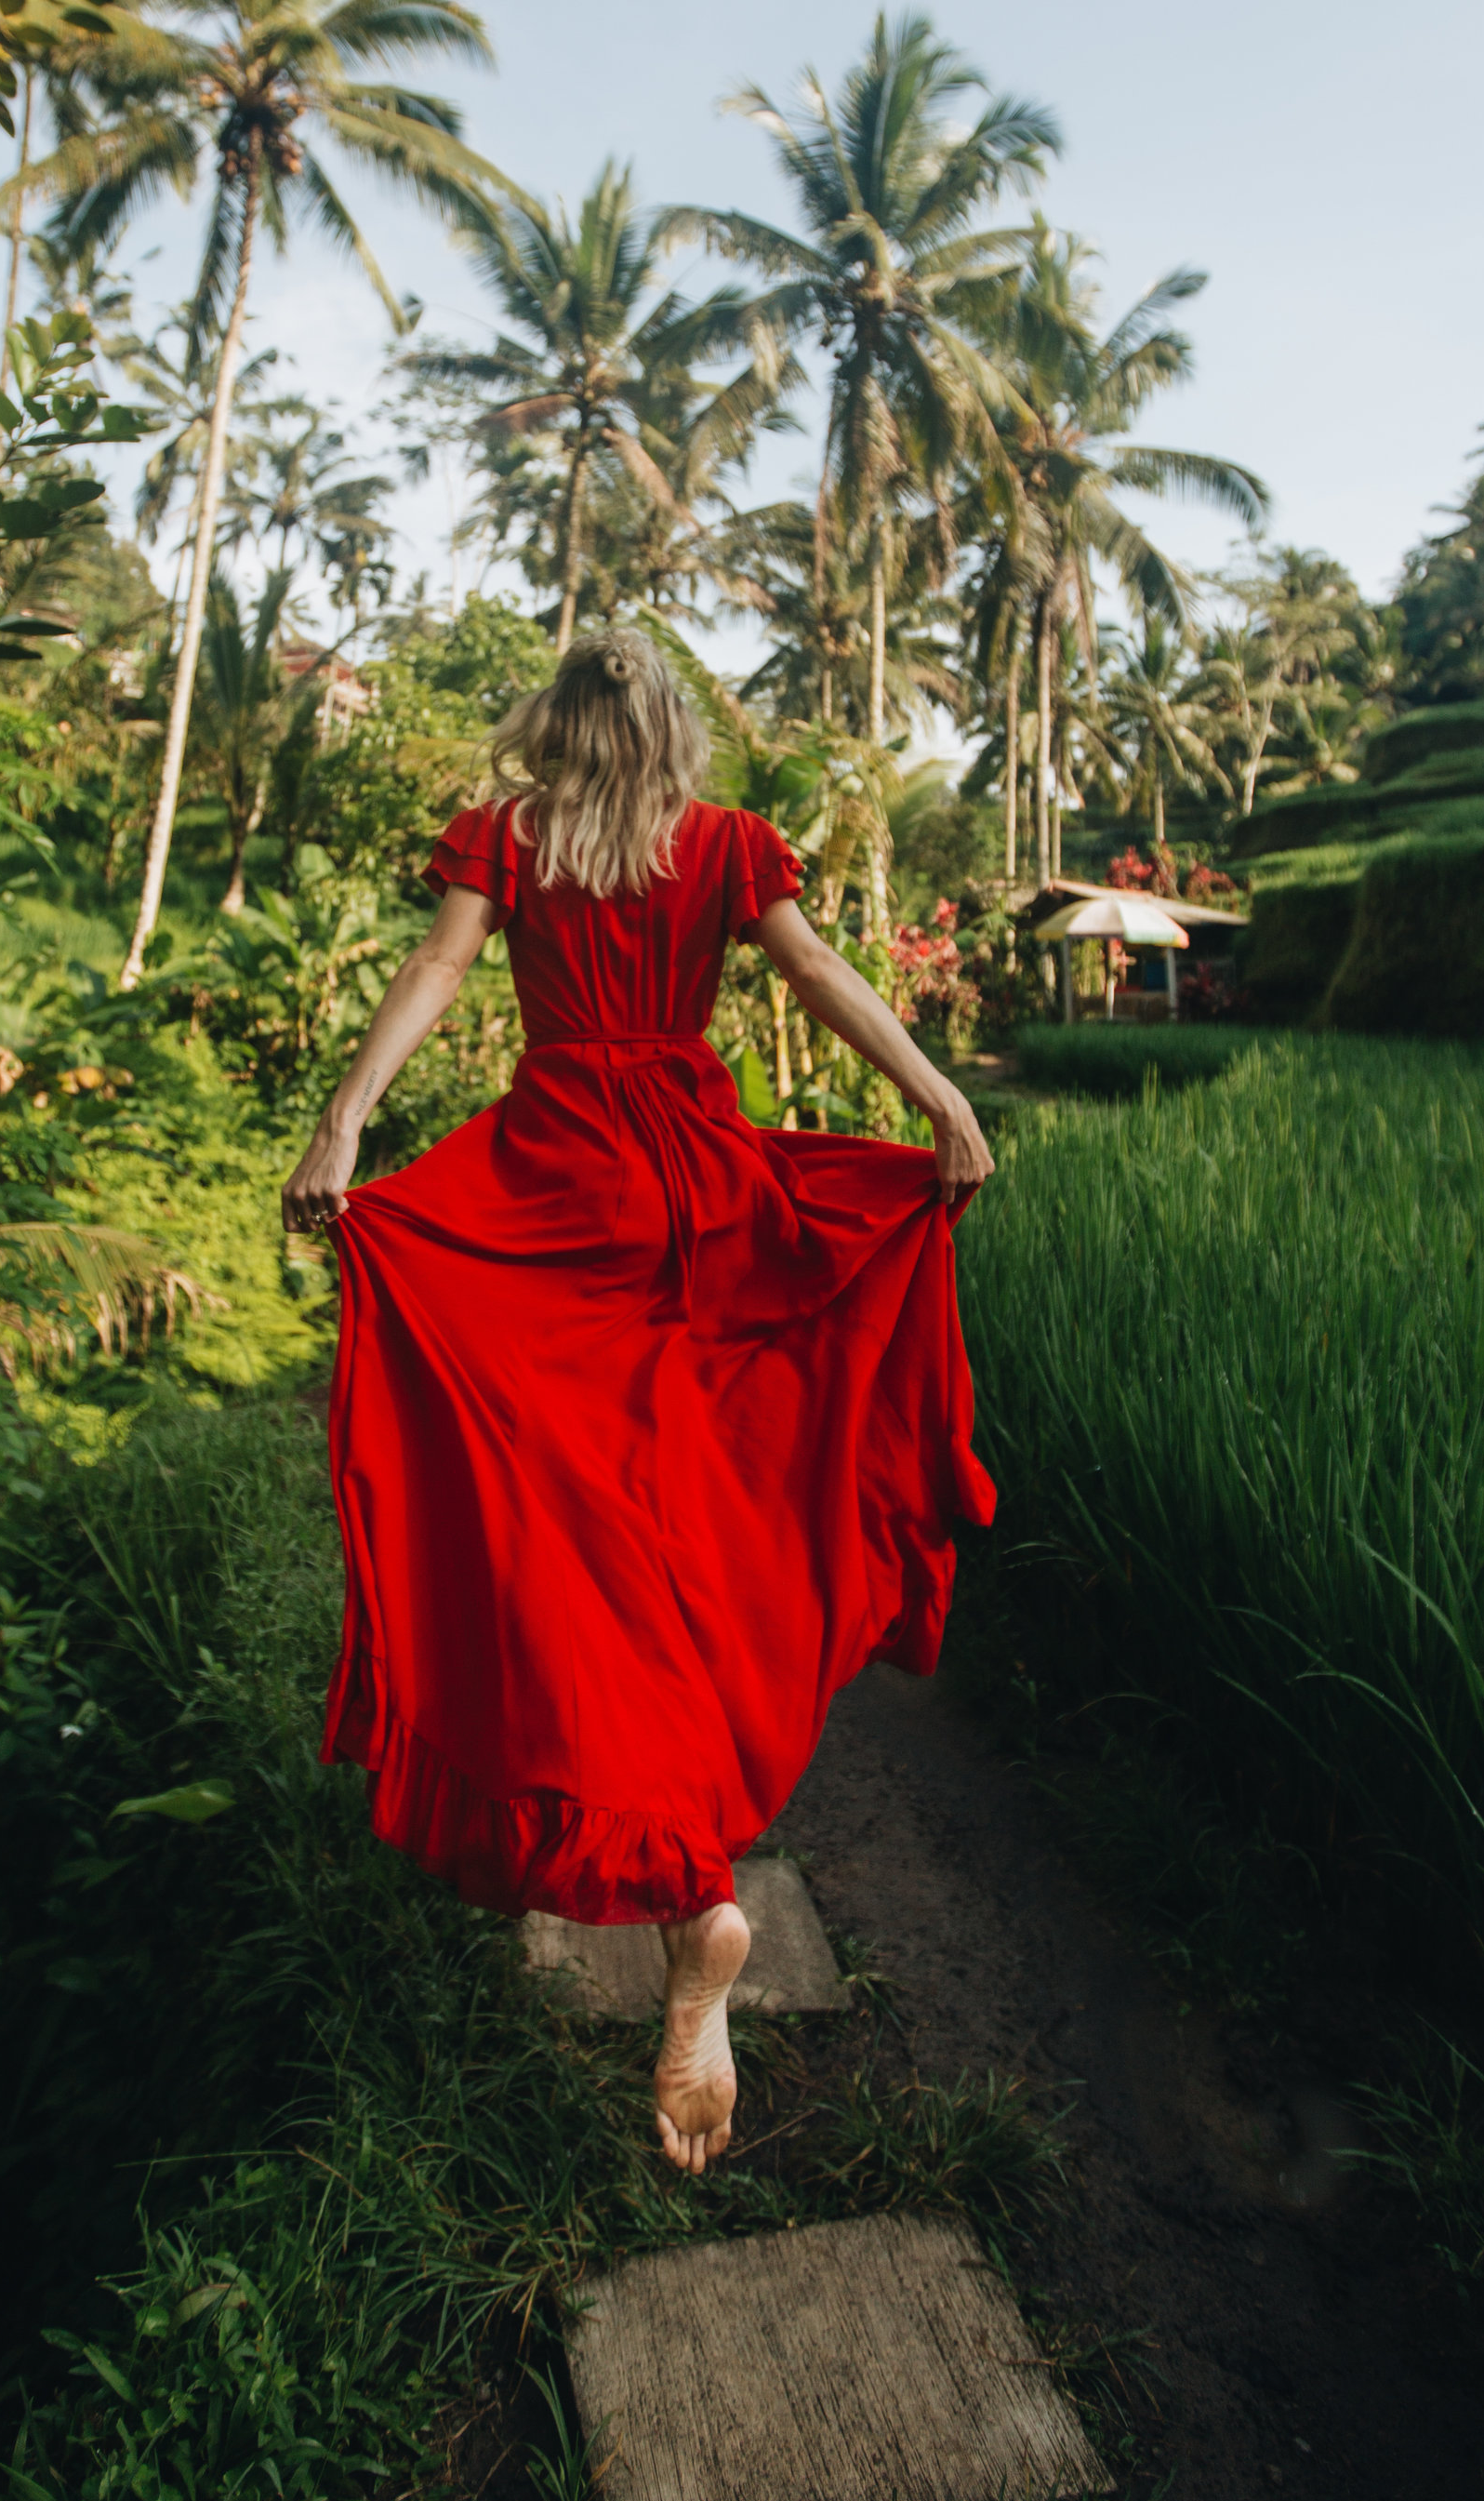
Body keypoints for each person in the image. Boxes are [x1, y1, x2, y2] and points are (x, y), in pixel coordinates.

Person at [281, 630, 997, 2173]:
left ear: (555, 725)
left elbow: (436, 967)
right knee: (699, 1520)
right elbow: (812, 974)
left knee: (571, 1523)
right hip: (701, 1187)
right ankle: (696, 1875)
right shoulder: (729, 847)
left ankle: (683, 1877)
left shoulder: (514, 840)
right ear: (675, 728)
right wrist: (935, 1095)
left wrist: (347, 1124)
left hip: (549, 1189)